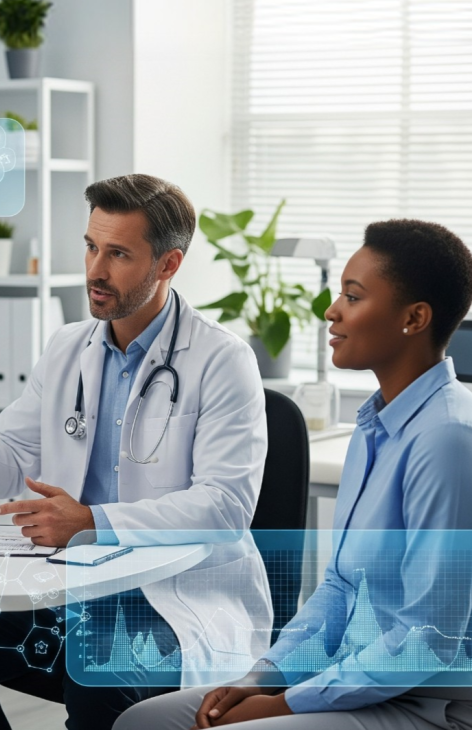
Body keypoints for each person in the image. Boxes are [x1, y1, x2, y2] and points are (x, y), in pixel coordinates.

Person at [0, 174, 273, 730]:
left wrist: (92, 522)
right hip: (75, 598)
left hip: (171, 607)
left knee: (94, 676)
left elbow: (225, 508)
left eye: (119, 254)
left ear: (168, 265)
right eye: (91, 246)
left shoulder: (222, 360)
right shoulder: (68, 347)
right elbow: (12, 463)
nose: (95, 270)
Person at [114, 218, 472, 730]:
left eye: (353, 296)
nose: (331, 311)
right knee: (141, 722)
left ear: (414, 318)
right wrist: (262, 678)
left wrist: (286, 704)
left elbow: (428, 639)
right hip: (354, 681)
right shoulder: (375, 427)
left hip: (426, 704)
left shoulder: (447, 437)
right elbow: (339, 588)